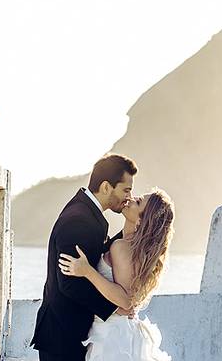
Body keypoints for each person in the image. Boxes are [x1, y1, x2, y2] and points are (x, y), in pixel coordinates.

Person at [30, 153, 137, 361]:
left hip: (70, 333)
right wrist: (115, 308)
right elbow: (69, 283)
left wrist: (129, 226)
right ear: (106, 187)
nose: (129, 198)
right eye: (126, 190)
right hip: (63, 336)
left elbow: (100, 253)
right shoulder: (79, 220)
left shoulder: (89, 214)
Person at [59, 188, 174, 361]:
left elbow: (125, 302)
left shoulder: (121, 247)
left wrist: (87, 271)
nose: (132, 198)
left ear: (142, 220)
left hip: (112, 337)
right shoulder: (134, 249)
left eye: (139, 202)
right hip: (120, 331)